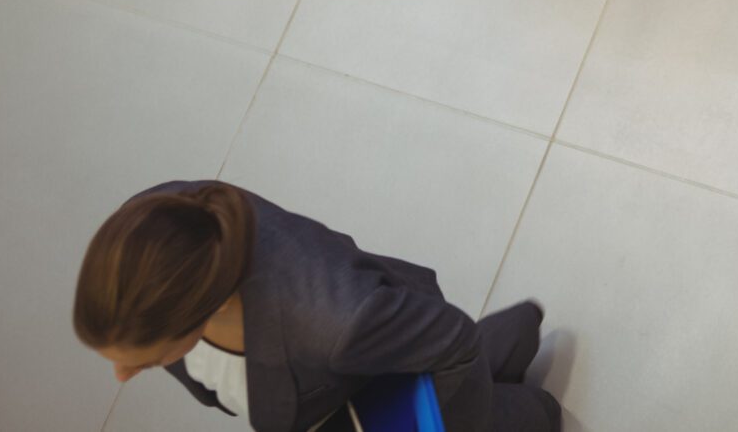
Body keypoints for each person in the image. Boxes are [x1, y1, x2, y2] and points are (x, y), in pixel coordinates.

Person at [74, 181, 559, 432]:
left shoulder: (338, 325)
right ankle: (514, 339)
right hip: (364, 360)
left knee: (497, 406)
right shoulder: (155, 225)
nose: (121, 374)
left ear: (213, 304)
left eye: (146, 357)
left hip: (393, 370)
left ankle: (531, 411)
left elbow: (455, 343)